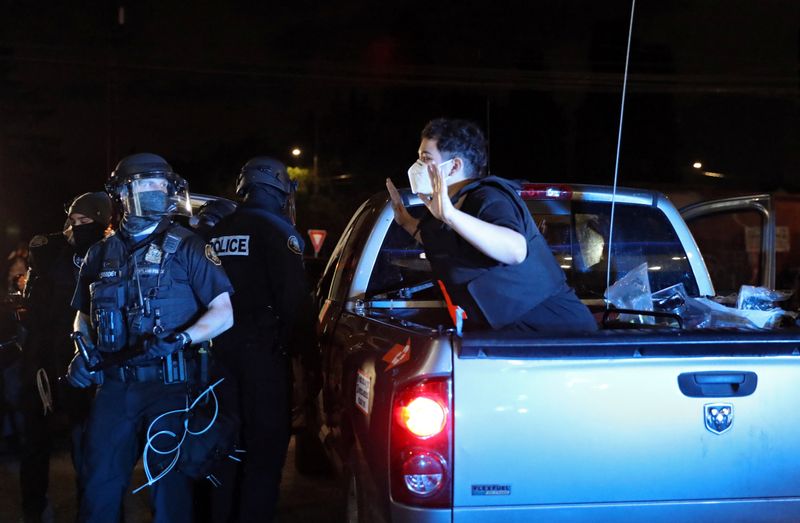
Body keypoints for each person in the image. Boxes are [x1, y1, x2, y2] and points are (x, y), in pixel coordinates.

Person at [67, 153, 234, 523]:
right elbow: (82, 315)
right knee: (99, 484)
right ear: (124, 193)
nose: (158, 192)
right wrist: (81, 352)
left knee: (169, 490)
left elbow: (224, 312)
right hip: (114, 388)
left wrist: (183, 338)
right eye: (148, 185)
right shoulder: (100, 253)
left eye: (163, 185)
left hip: (170, 387)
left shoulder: (188, 246)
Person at [386, 117, 597, 333]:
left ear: (454, 166)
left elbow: (515, 250)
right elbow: (448, 244)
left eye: (426, 158)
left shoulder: (489, 197)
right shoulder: (444, 209)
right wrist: (406, 221)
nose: (418, 166)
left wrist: (449, 215)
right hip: (504, 338)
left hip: (560, 334)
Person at [208, 156, 314, 522]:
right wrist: (304, 361)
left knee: (224, 448)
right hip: (264, 357)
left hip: (217, 357)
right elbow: (293, 303)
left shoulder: (217, 231)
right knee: (265, 450)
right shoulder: (279, 231)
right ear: (282, 187)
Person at [18, 192, 112, 523]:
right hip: (43, 356)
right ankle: (34, 508)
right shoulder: (50, 249)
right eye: (73, 220)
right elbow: (35, 304)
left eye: (86, 222)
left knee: (84, 440)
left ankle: (89, 508)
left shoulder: (109, 251)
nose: (77, 226)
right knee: (36, 438)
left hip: (84, 356)